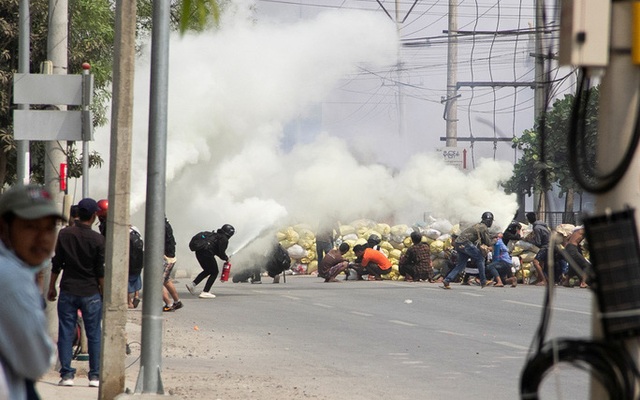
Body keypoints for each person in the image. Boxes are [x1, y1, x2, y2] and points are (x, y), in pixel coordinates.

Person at [0, 185, 63, 400]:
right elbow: (35, 363)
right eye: (30, 227)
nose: (43, 238)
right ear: (4, 228)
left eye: (49, 227)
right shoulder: (11, 279)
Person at [48, 198, 105, 388]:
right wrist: (103, 293)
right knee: (94, 333)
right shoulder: (98, 239)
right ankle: (95, 376)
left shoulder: (65, 235)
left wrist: (51, 287)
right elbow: (100, 271)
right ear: (94, 216)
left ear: (78, 214)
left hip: (68, 290)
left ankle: (66, 375)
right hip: (90, 293)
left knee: (66, 332)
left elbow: (57, 264)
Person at [441, 211, 494, 289]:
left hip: (459, 243)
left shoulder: (478, 225)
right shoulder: (483, 227)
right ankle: (483, 280)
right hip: (465, 244)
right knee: (480, 258)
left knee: (461, 265)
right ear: (489, 220)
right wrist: (494, 241)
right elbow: (487, 241)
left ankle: (447, 280)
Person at [186, 224, 235, 298]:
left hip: (199, 252)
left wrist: (225, 257)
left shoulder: (215, 235)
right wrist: (226, 258)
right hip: (207, 253)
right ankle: (205, 291)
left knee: (207, 270)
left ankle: (192, 285)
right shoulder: (224, 239)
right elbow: (221, 253)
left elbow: (217, 251)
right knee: (215, 272)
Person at [525, 212, 553, 286]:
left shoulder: (536, 228)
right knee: (541, 263)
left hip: (545, 247)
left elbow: (538, 242)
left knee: (535, 262)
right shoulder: (543, 226)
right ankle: (539, 279)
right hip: (550, 246)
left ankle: (543, 280)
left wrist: (528, 240)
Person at [162, 217, 183, 311]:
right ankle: (177, 302)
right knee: (166, 280)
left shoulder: (160, 226)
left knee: (156, 282)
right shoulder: (166, 225)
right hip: (170, 257)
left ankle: (169, 304)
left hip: (165, 258)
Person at [128, 225, 144, 309]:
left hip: (129, 261)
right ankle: (136, 296)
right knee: (136, 277)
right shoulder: (135, 229)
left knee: (126, 281)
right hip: (138, 260)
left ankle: (129, 302)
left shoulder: (124, 233)